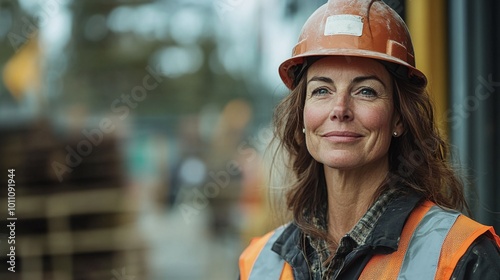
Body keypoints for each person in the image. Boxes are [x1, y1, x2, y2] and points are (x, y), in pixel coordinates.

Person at [238, 0, 500, 279]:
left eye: (365, 91)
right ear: (302, 115)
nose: (340, 110)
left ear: (398, 118)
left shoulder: (461, 255)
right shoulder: (259, 263)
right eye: (321, 91)